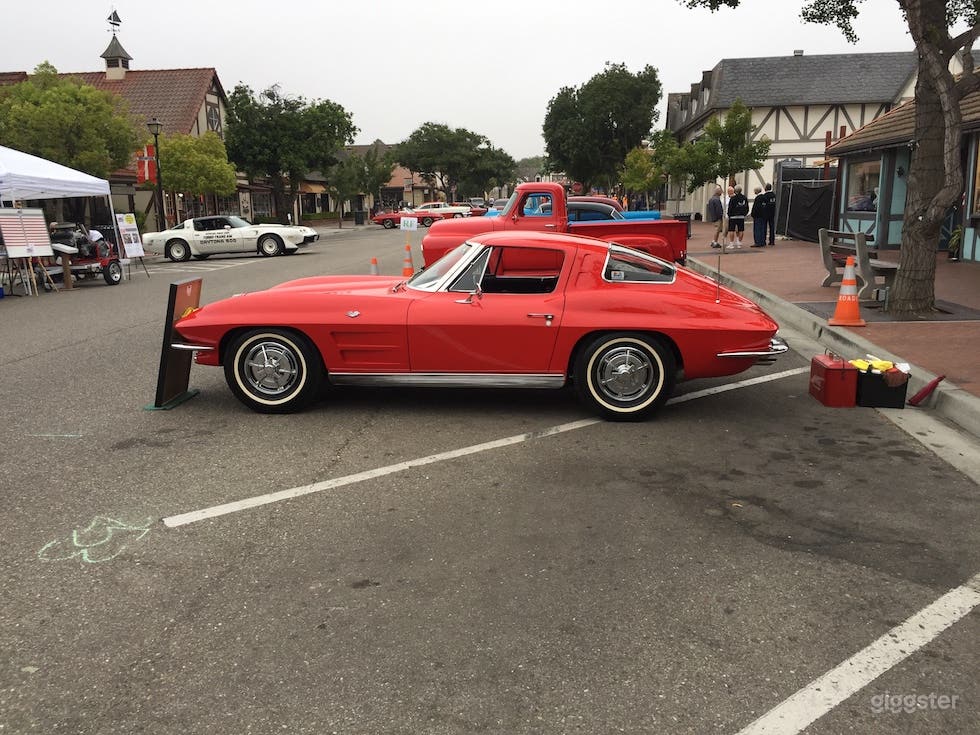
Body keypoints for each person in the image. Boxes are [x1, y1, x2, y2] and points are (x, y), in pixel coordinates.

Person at [726, 185, 748, 250]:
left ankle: (731, 243)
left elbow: (730, 207)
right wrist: (744, 214)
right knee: (741, 229)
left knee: (731, 230)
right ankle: (739, 243)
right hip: (741, 216)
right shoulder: (744, 198)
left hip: (733, 216)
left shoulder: (733, 198)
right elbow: (747, 207)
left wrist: (729, 214)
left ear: (735, 191)